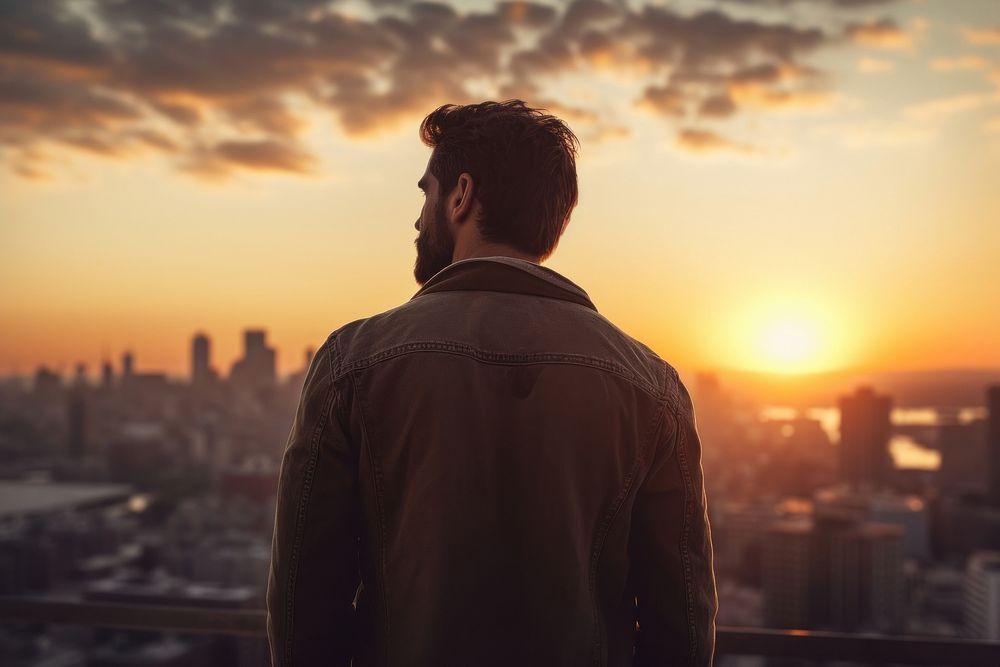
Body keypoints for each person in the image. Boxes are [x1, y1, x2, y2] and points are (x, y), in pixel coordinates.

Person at [266, 99, 717, 666]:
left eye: (425, 194)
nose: (416, 219)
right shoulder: (652, 387)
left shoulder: (354, 362)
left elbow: (304, 604)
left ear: (461, 195)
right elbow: (682, 626)